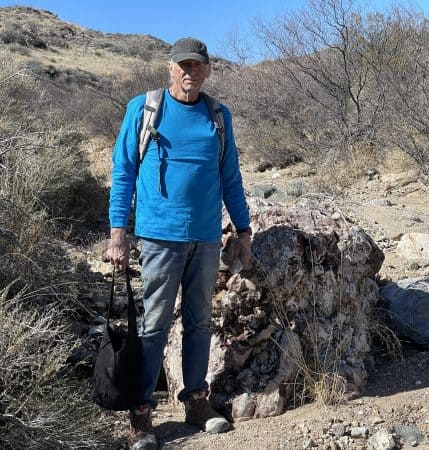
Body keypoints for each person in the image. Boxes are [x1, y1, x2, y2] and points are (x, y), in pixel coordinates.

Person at [106, 37, 252, 449]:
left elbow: (231, 179)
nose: (190, 72)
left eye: (198, 66)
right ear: (170, 68)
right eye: (183, 65)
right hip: (158, 238)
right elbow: (123, 174)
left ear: (206, 70)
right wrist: (118, 232)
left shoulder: (218, 116)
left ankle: (195, 400)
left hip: (205, 238)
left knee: (199, 321)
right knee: (153, 326)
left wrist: (243, 232)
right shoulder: (145, 108)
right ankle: (142, 413)